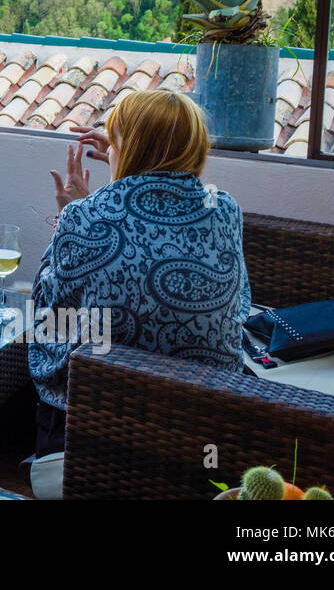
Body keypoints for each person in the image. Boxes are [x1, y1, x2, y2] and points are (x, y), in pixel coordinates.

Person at [29, 88, 250, 458]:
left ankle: (46, 458)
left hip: (98, 416)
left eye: (114, 144)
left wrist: (75, 211)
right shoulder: (224, 208)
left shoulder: (85, 216)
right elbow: (241, 301)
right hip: (206, 417)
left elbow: (49, 309)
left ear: (124, 148)